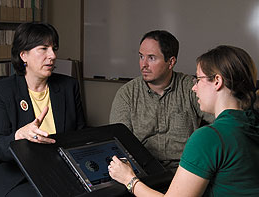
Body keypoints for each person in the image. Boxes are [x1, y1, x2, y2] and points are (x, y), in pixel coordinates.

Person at [108, 45, 259, 196]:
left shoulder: (208, 137)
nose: (194, 88)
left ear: (217, 81)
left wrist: (129, 179)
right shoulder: (251, 123)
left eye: (198, 79)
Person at [0, 22, 86, 196]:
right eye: (43, 49)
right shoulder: (1, 91)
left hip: (59, 170)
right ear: (23, 55)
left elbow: (80, 133)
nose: (52, 55)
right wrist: (19, 135)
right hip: (17, 176)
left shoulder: (69, 86)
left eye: (54, 48)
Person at [109, 30, 213, 174]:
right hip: (143, 170)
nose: (143, 64)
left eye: (151, 58)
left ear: (170, 62)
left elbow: (222, 120)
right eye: (141, 57)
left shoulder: (191, 88)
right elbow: (118, 144)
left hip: (186, 169)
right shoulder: (127, 94)